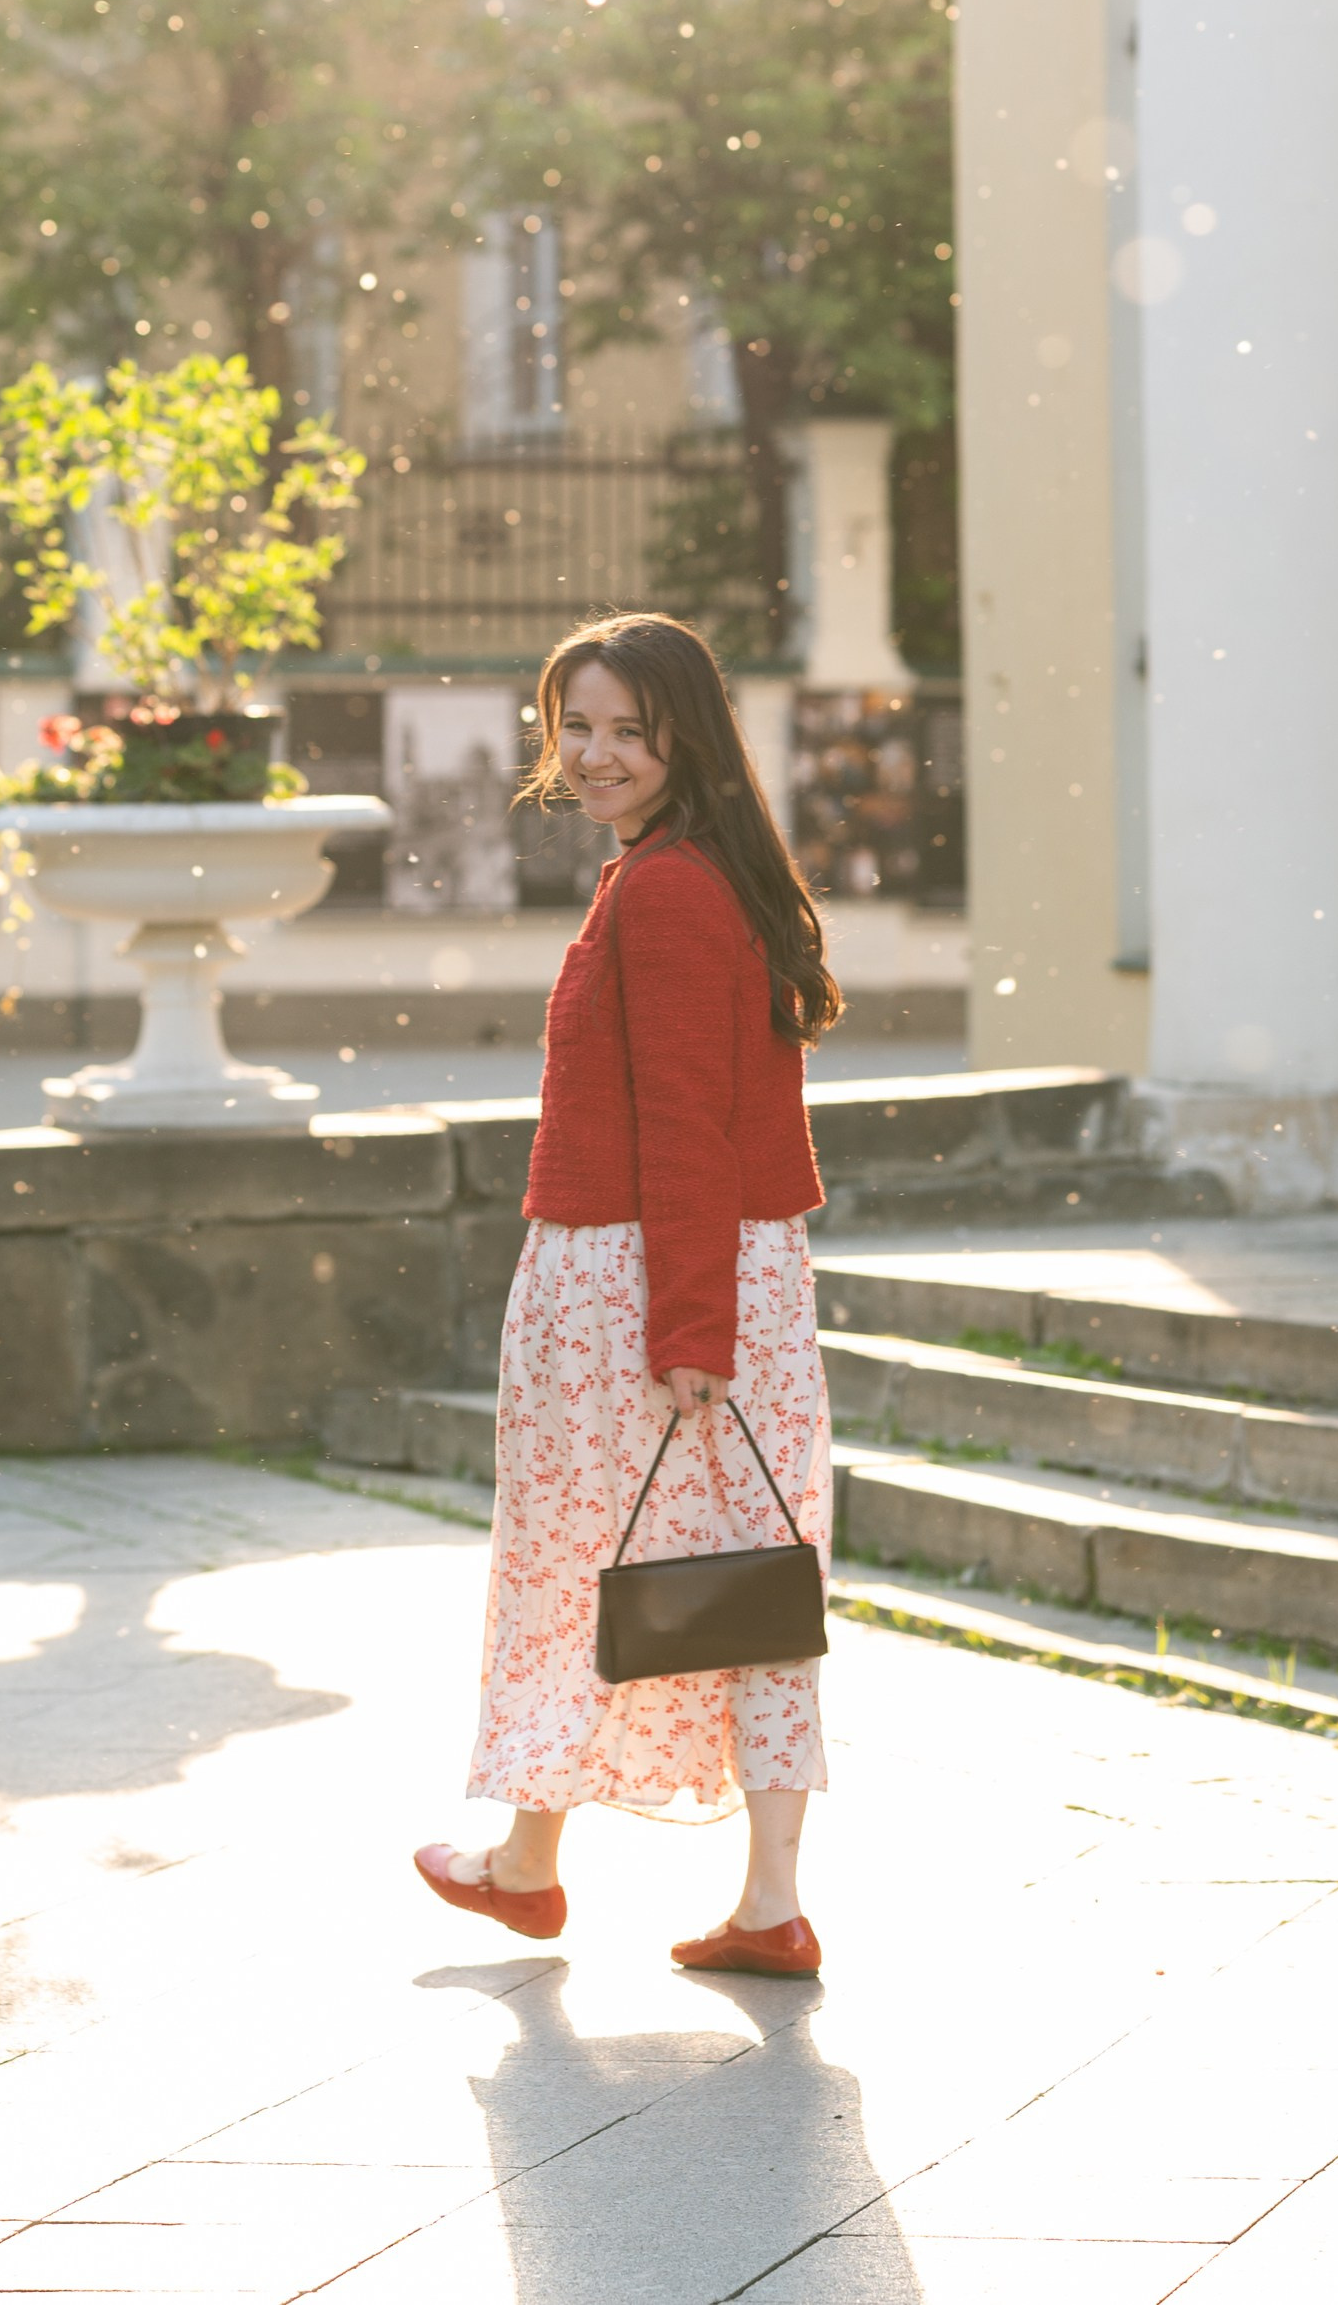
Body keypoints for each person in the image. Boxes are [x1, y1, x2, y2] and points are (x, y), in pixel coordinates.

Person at [414, 611, 841, 1977]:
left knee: (569, 1564)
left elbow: (684, 1121)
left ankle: (527, 1867)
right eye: (572, 726)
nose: (590, 755)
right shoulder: (703, 870)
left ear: (683, 739)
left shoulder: (661, 891)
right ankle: (764, 1901)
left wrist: (686, 1334)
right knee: (755, 1584)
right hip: (719, 1272)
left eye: (622, 732)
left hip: (636, 1276)